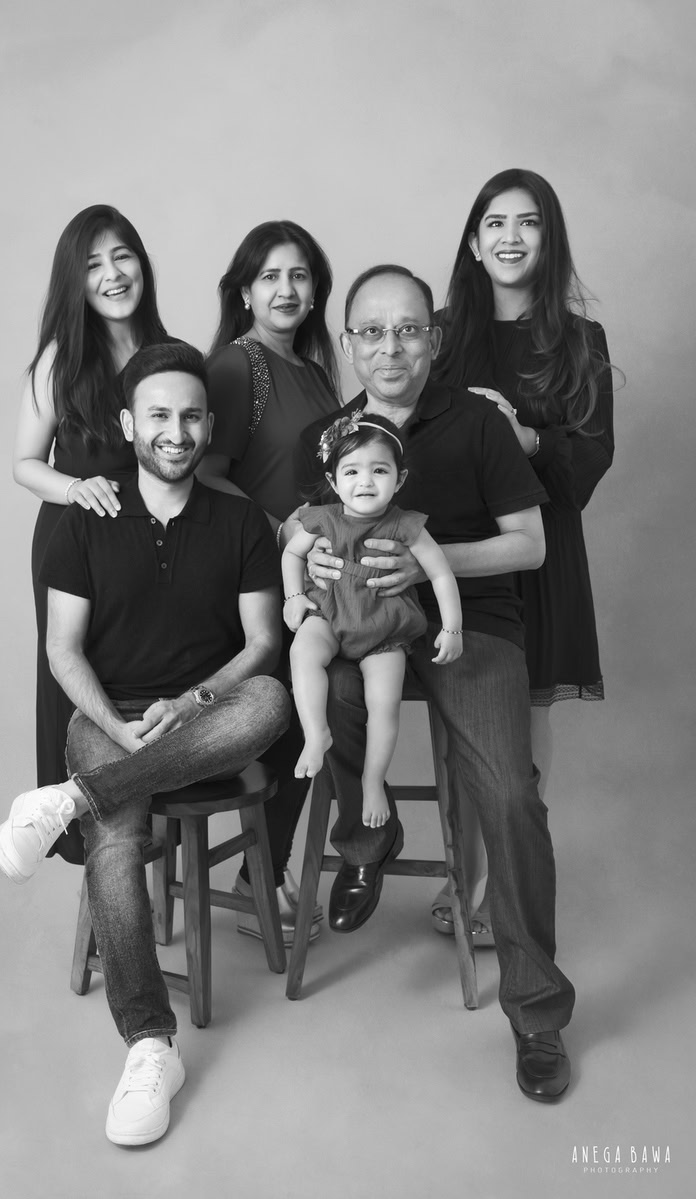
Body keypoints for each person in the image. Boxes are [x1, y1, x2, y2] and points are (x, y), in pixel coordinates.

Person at [0, 341, 291, 1145]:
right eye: (158, 414)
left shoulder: (238, 520)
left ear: (208, 424)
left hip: (209, 711)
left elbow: (262, 643)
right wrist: (119, 725)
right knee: (117, 844)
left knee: (271, 700)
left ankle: (70, 801)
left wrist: (194, 700)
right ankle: (152, 1045)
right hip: (107, 715)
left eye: (191, 415)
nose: (176, 429)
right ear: (127, 424)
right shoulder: (83, 521)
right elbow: (63, 649)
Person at [295, 265, 575, 1101]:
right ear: (347, 345)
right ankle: (368, 838)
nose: (391, 347)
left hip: (471, 619)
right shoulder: (330, 436)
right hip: (362, 622)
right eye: (372, 332)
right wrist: (312, 559)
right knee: (334, 698)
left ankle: (537, 1011)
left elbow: (530, 544)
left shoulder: (477, 423)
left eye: (409, 329)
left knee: (511, 790)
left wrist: (423, 562)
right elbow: (307, 538)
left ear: (435, 337)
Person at [429, 168, 616, 945]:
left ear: (549, 239)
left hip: (540, 556)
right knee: (463, 732)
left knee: (524, 738)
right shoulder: (437, 334)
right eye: (495, 223)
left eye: (528, 222)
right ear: (473, 242)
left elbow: (592, 458)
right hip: (457, 555)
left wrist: (526, 437)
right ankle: (459, 878)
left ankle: (492, 895)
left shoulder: (580, 340)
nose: (510, 236)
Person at [13, 205, 169, 863]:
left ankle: (135, 828)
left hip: (149, 547)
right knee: (79, 685)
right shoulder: (60, 359)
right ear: (73, 282)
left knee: (148, 681)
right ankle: (93, 848)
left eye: (122, 256)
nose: (111, 274)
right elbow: (24, 464)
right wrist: (73, 487)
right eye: (93, 264)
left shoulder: (168, 354)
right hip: (74, 544)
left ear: (141, 262)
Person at [199, 220, 340, 943]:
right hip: (254, 580)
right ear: (245, 291)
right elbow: (205, 475)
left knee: (326, 713)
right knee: (301, 723)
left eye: (300, 276)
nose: (287, 290)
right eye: (270, 277)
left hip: (313, 582)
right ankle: (264, 881)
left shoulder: (314, 371)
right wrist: (284, 530)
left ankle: (273, 872)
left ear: (316, 290)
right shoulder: (236, 366)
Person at [284, 412, 462, 827]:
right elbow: (292, 553)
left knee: (384, 706)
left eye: (378, 470)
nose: (365, 482)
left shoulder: (406, 525)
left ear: (398, 479)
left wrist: (451, 627)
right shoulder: (323, 518)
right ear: (333, 481)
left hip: (385, 626)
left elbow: (440, 573)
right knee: (303, 654)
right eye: (351, 471)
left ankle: (372, 781)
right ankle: (315, 734)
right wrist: (294, 596)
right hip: (328, 613)